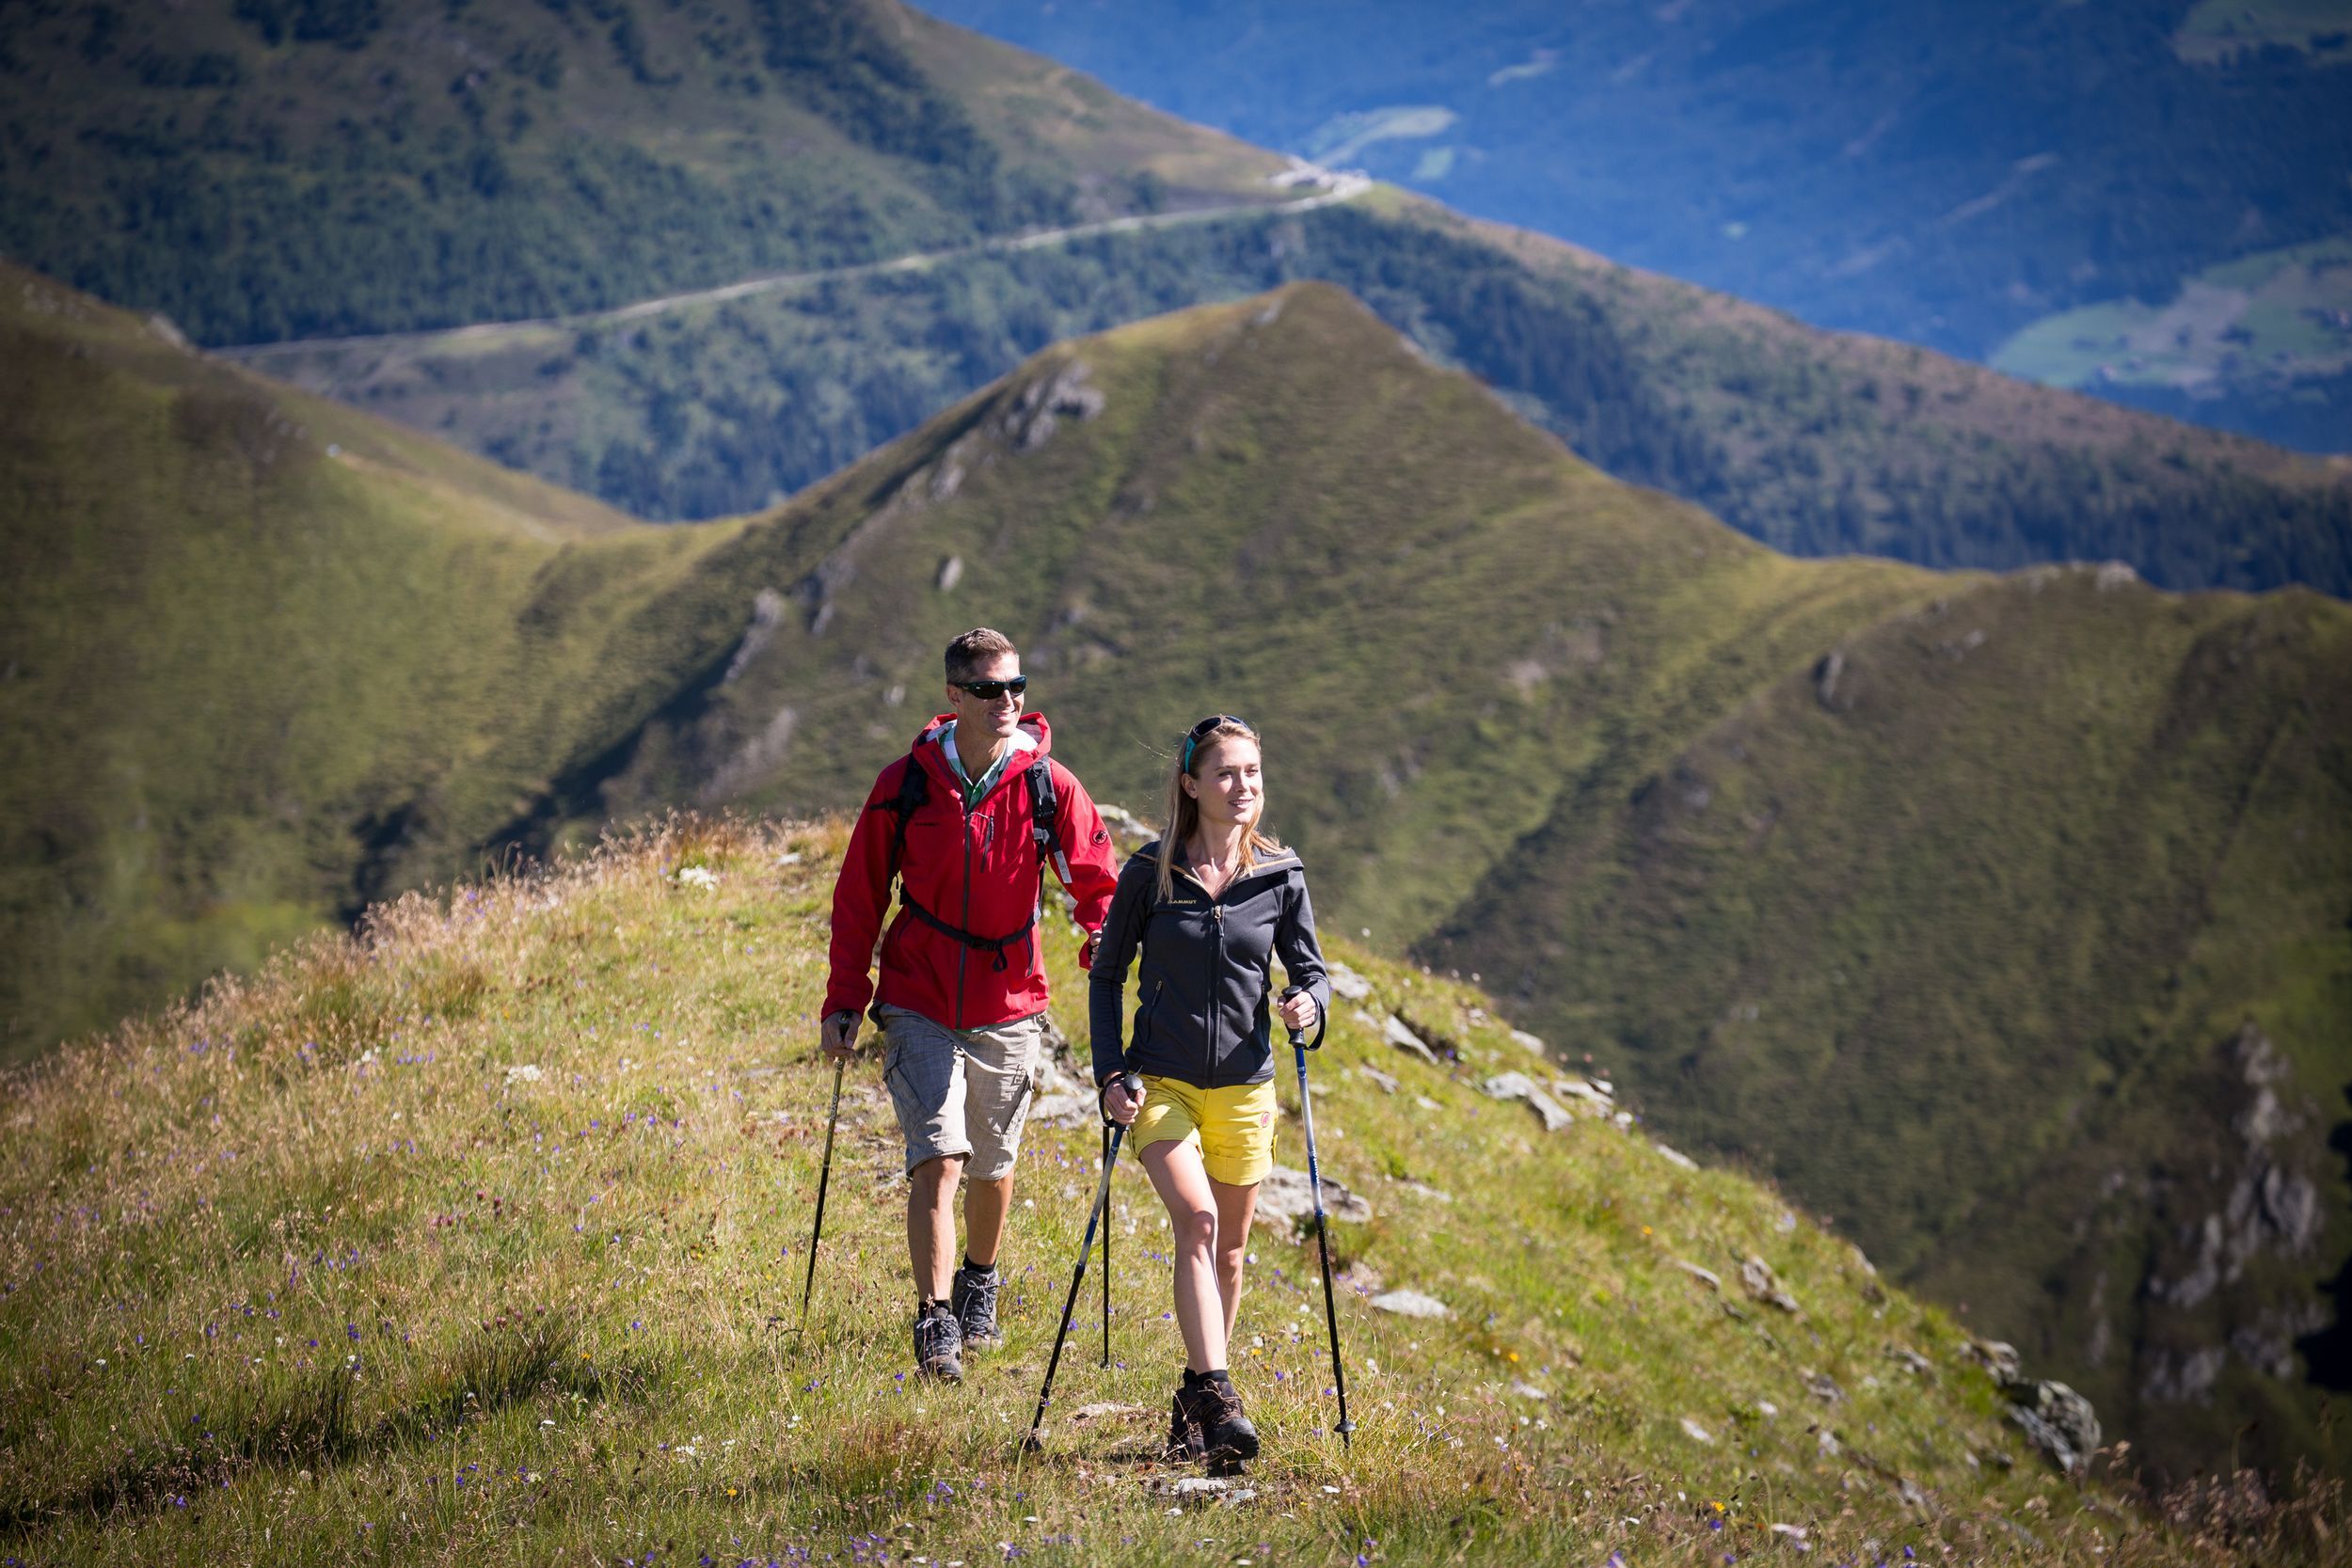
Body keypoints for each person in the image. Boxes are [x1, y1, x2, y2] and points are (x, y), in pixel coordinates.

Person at [823, 627, 1120, 1383]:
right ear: (954, 696)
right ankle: (935, 1319)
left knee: (993, 1163)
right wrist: (845, 999)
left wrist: (1102, 941)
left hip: (1010, 1001)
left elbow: (1097, 882)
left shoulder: (1050, 786)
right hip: (918, 995)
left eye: (1016, 687)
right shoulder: (907, 782)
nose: (1008, 702)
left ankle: (980, 1279)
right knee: (939, 1155)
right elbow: (859, 896)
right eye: (990, 689)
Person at [1090, 714, 1329, 1469]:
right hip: (1161, 1081)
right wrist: (1107, 1073)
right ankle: (1222, 1392)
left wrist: (1309, 1007)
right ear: (1191, 784)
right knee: (1194, 1220)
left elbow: (1312, 970)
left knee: (1229, 1254)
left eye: (1252, 773)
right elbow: (1105, 973)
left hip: (1246, 1089)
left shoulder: (1280, 873)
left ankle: (1196, 1398)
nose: (1242, 787)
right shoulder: (1150, 872)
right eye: (1226, 773)